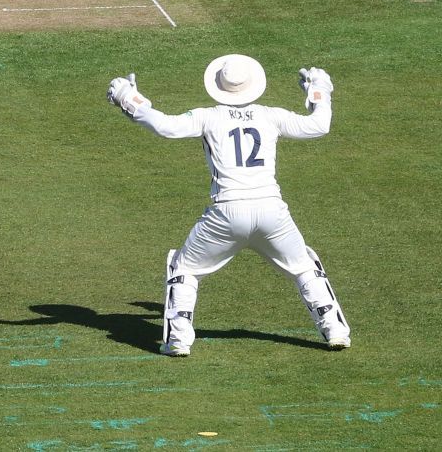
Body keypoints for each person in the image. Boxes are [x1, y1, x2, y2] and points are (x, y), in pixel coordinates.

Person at [105, 56, 351, 357]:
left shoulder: (208, 116)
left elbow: (166, 126)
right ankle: (335, 330)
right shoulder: (270, 115)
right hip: (271, 210)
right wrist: (319, 90)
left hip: (227, 212)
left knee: (184, 267)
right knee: (304, 267)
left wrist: (129, 99)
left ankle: (179, 339)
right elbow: (319, 125)